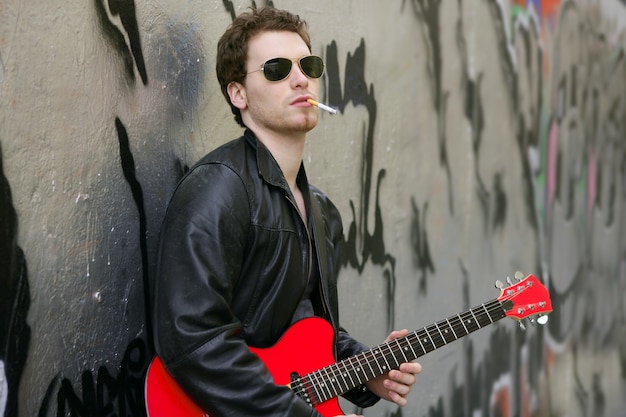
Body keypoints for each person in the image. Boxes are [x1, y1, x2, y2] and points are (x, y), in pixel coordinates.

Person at [152, 6, 422, 417]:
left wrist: (366, 370)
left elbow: (305, 329)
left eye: (308, 65)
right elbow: (194, 340)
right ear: (237, 93)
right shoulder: (217, 189)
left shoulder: (319, 209)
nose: (302, 78)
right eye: (277, 69)